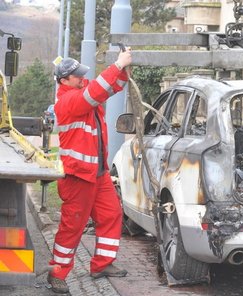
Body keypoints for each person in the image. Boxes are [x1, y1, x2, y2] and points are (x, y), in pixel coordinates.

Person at [47, 49, 132, 294]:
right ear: (64, 81)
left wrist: (122, 74)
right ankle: (57, 272)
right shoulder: (68, 101)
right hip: (78, 176)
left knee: (111, 215)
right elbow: (95, 91)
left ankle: (102, 264)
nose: (82, 78)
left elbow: (106, 89)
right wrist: (117, 65)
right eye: (76, 76)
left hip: (98, 173)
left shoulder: (81, 94)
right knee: (72, 226)